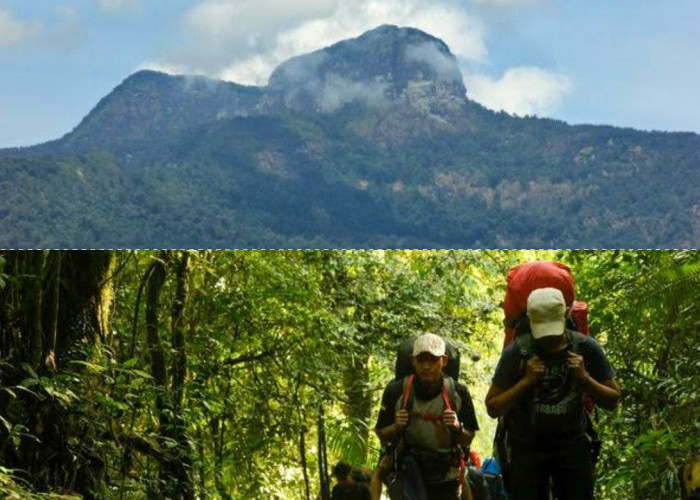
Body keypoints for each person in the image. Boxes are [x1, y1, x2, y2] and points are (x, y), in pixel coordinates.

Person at [485, 287, 621, 500]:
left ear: (567, 314)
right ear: (529, 319)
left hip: (571, 445)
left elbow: (613, 400)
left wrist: (585, 378)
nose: (548, 339)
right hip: (527, 447)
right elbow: (492, 407)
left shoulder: (585, 347)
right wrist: (525, 382)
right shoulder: (517, 352)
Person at [374, 333, 479, 500]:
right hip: (408, 472)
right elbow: (381, 433)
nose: (427, 366)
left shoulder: (458, 393)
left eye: (433, 360)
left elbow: (468, 439)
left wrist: (457, 428)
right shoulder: (396, 391)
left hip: (445, 476)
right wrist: (396, 427)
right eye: (421, 360)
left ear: (444, 361)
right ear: (413, 361)